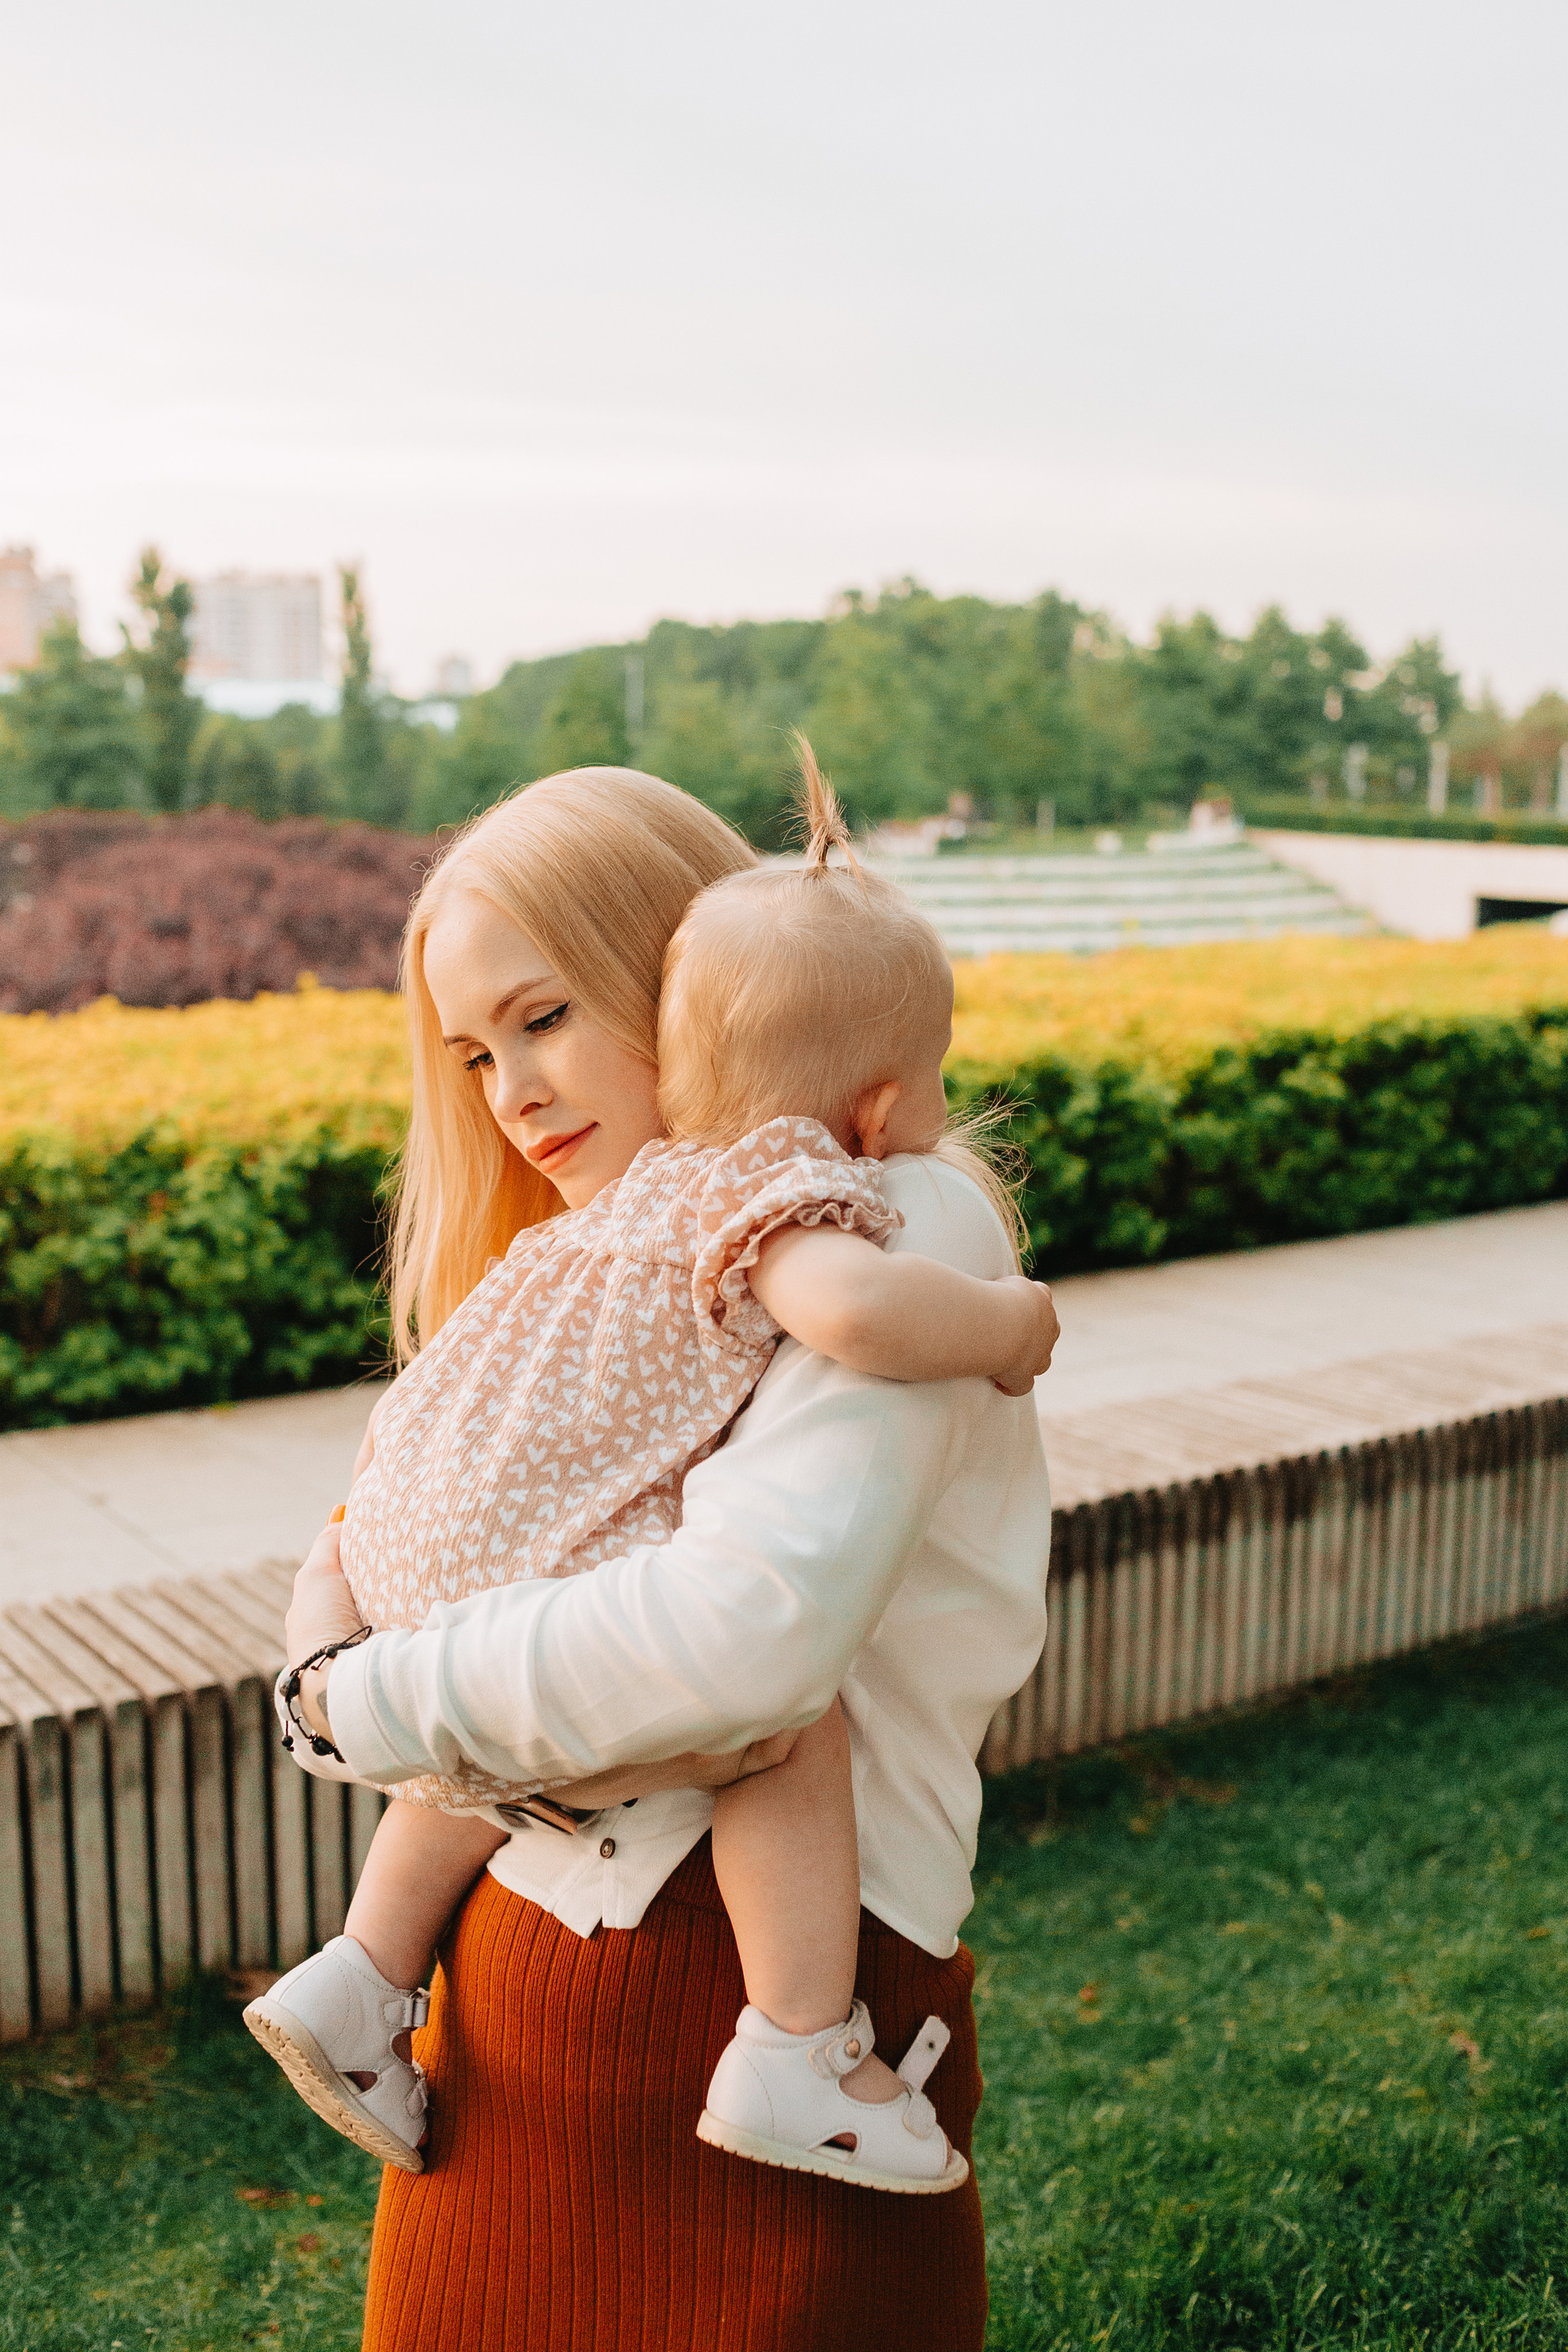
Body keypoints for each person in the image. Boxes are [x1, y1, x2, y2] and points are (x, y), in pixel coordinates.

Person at [279, 760, 1055, 2352]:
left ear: (690, 970)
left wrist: (355, 1699)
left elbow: (750, 1647)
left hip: (740, 1991)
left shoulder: (878, 1214)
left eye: (546, 1015)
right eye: (476, 1052)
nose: (512, 1092)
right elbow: (373, 1527)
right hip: (525, 2000)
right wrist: (344, 1694)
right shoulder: (606, 1249)